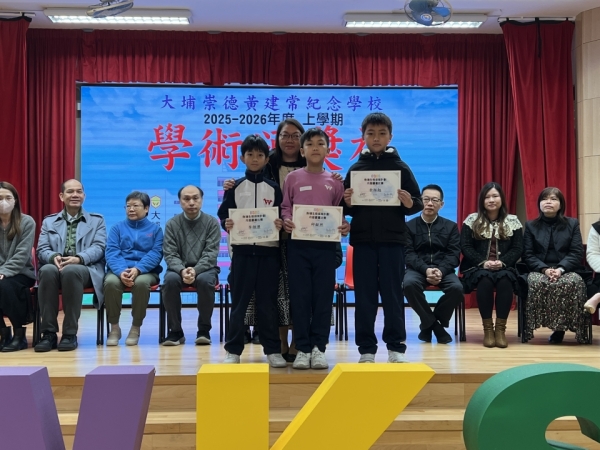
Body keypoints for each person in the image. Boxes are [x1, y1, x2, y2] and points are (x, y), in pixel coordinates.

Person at [222, 119, 342, 362]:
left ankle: (302, 347)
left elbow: (337, 210)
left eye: (296, 135)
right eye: (285, 135)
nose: (290, 139)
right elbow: (229, 214)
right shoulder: (253, 179)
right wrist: (229, 219)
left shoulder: (328, 179)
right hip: (261, 248)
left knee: (298, 297)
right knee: (275, 298)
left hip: (297, 245)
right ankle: (262, 347)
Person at [343, 112, 423, 364]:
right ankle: (366, 349)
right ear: (363, 136)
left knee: (393, 296)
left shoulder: (401, 168)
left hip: (393, 242)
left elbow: (417, 202)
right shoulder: (356, 169)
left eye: (381, 133)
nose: (376, 138)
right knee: (364, 297)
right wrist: (347, 202)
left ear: (390, 136)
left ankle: (396, 347)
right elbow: (346, 207)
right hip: (363, 242)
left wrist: (409, 203)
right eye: (371, 133)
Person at [282, 127, 349, 370]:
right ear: (302, 151)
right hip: (298, 246)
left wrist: (344, 225)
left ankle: (319, 347)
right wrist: (287, 220)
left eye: (320, 143)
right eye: (310, 144)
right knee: (300, 297)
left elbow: (340, 212)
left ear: (328, 149)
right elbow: (285, 207)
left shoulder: (335, 181)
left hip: (326, 247)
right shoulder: (293, 178)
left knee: (323, 298)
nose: (315, 148)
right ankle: (302, 348)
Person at [218, 135, 286, 367]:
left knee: (268, 304)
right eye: (250, 154)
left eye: (259, 155)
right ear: (242, 158)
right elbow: (224, 214)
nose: (255, 159)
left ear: (267, 159)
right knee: (239, 304)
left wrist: (279, 223)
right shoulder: (235, 186)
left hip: (269, 254)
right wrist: (226, 223)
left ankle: (273, 350)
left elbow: (281, 215)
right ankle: (233, 350)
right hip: (243, 254)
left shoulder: (274, 188)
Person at [35, 179, 106, 352]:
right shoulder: (49, 222)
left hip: (85, 269)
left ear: (84, 196)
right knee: (46, 270)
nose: (75, 195)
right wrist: (53, 257)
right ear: (61, 196)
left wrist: (79, 258)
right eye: (70, 191)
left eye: (79, 191)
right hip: (56, 267)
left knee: (72, 271)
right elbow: (42, 249)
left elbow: (99, 247)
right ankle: (49, 333)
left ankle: (69, 333)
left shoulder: (97, 221)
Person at [522, 187, 589, 343]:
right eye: (545, 199)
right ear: (539, 203)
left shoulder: (572, 224)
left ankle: (560, 328)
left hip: (567, 269)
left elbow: (576, 252)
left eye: (553, 199)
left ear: (561, 204)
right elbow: (528, 255)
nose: (548, 202)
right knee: (535, 282)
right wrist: (545, 269)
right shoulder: (531, 226)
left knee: (573, 282)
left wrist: (560, 269)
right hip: (539, 269)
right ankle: (534, 326)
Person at [460, 182, 522, 349]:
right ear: (482, 200)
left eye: (495, 196)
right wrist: (483, 262)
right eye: (487, 197)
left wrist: (502, 262)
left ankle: (500, 330)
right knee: (485, 280)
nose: (491, 200)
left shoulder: (512, 221)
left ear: (501, 199)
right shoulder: (472, 220)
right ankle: (488, 330)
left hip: (505, 267)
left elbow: (517, 248)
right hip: (477, 267)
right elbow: (466, 246)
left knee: (505, 281)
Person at [161, 185, 220, 346]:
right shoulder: (172, 224)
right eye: (186, 199)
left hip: (205, 269)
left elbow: (211, 253)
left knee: (205, 281)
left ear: (202, 200)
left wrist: (195, 270)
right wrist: (182, 270)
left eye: (195, 198)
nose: (191, 202)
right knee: (170, 281)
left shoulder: (211, 223)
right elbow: (170, 254)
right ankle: (175, 331)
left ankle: (204, 330)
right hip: (178, 269)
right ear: (180, 201)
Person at [404, 184, 462, 344]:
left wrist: (440, 270)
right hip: (417, 269)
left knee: (457, 289)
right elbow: (408, 254)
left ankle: (428, 324)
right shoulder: (409, 226)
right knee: (409, 284)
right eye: (426, 199)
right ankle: (436, 327)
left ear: (441, 204)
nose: (430, 203)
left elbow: (454, 255)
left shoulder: (450, 227)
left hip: (443, 270)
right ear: (419, 201)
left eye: (435, 200)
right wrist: (426, 270)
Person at [104, 191, 163, 346]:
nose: (131, 209)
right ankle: (114, 328)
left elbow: (156, 253)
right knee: (110, 282)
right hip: (119, 270)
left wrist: (138, 269)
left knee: (141, 283)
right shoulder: (117, 228)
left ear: (146, 208)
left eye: (135, 206)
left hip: (146, 271)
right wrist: (121, 271)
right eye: (128, 206)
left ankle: (135, 327)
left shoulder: (156, 230)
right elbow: (112, 252)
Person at [0, 182, 36, 352]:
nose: (4, 201)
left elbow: (22, 254)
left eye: (8, 197)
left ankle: (19, 334)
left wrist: (4, 272)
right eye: (0, 198)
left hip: (22, 272)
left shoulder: (27, 222)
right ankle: (4, 333)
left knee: (4, 286)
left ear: (15, 200)